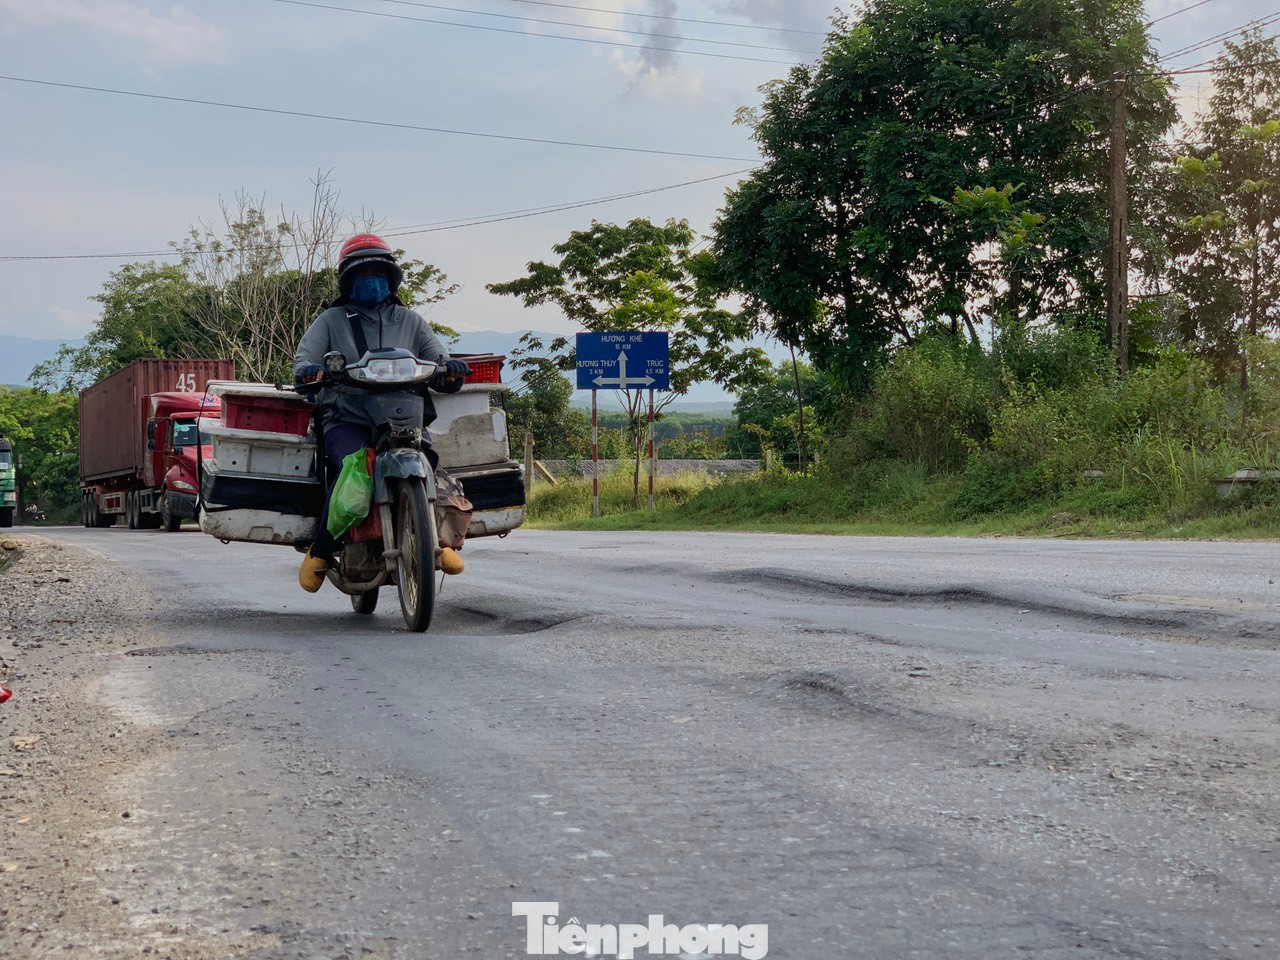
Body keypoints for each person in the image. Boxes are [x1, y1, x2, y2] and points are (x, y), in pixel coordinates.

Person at [292, 233, 469, 592]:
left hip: (404, 414)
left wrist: (449, 369)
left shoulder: (411, 320)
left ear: (390, 279)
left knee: (429, 464)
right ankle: (320, 550)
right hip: (348, 417)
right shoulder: (330, 320)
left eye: (377, 273)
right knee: (353, 470)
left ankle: (439, 543)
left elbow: (438, 359)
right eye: (362, 274)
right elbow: (304, 359)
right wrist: (310, 371)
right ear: (348, 281)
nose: (371, 280)